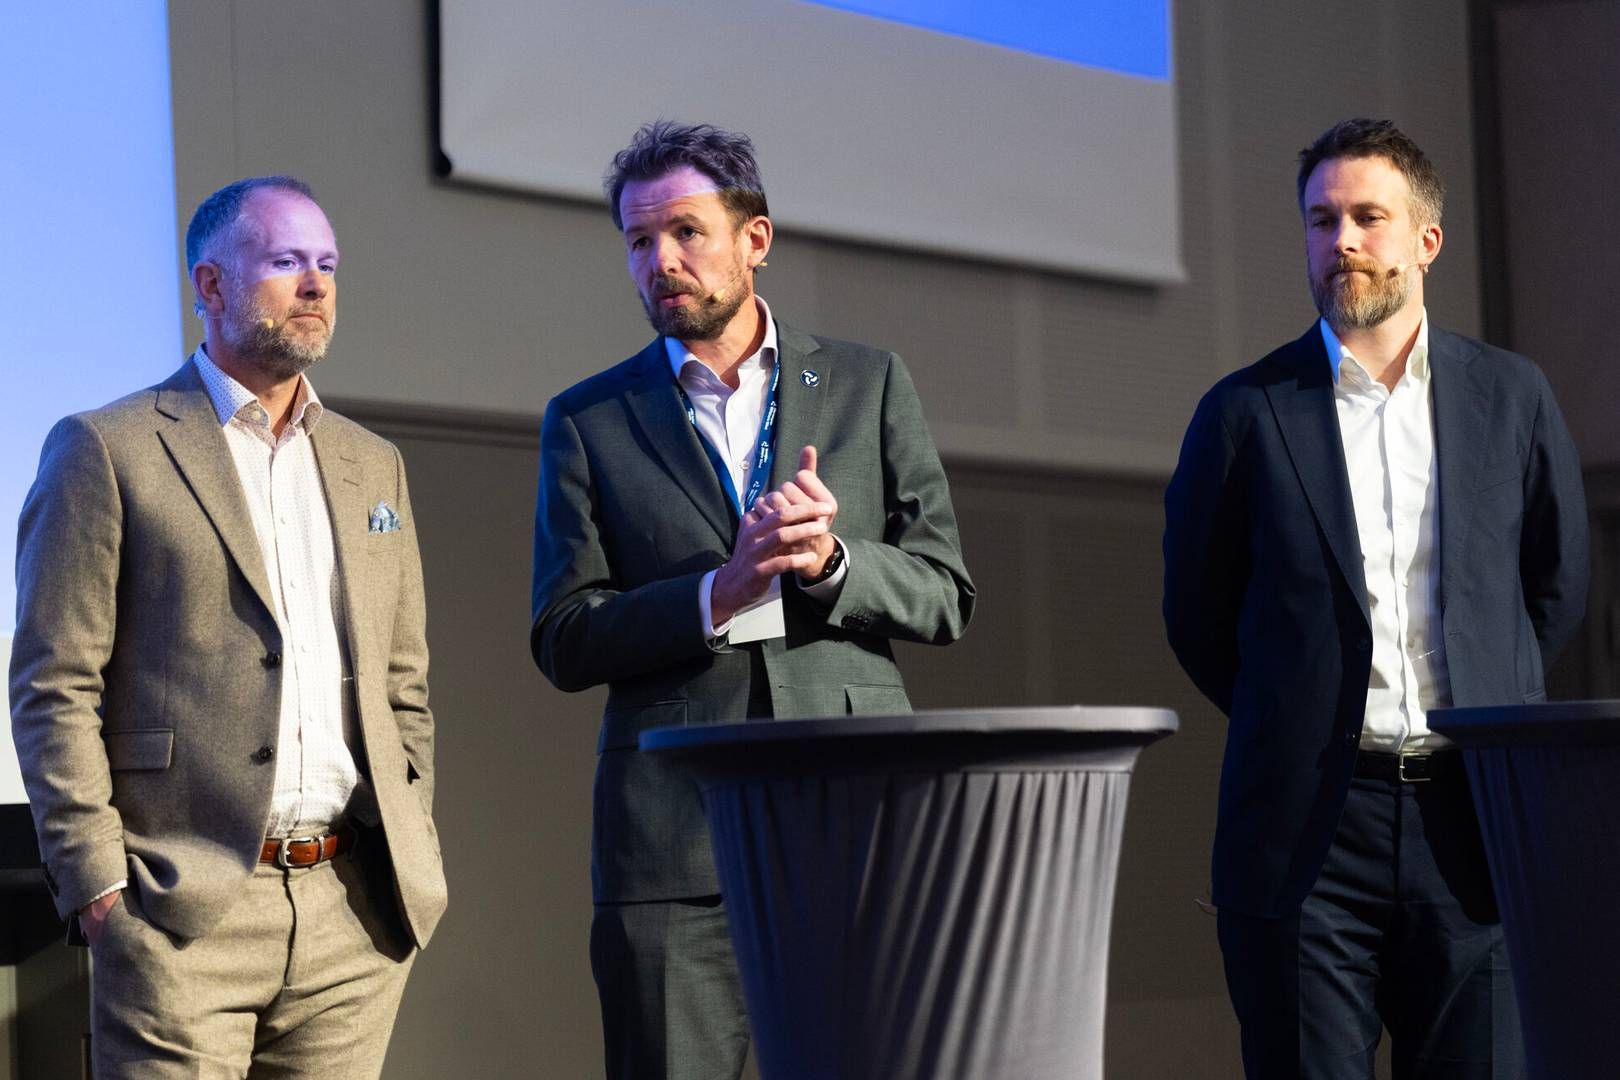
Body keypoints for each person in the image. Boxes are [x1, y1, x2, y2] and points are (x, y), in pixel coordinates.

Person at [531, 120, 975, 1079]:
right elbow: (564, 636)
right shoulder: (589, 419)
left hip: (853, 824)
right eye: (639, 243)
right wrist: (713, 595)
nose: (662, 262)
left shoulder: (868, 384)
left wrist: (832, 566)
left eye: (687, 232)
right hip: (674, 850)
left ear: (754, 241)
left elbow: (945, 591)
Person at [1163, 118, 1588, 1078]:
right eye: (1321, 221)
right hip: (1309, 833)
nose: (1341, 240)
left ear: (1425, 240)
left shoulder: (1512, 397)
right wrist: (1300, 707)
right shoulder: (1242, 412)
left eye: (1366, 217)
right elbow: (1197, 613)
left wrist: (1489, 695)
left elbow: (1553, 593)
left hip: (1475, 825)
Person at [9, 176, 447, 1077]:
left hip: (350, 911)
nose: (316, 284)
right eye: (286, 262)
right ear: (209, 287)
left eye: (326, 263)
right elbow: (55, 683)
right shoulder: (109, 446)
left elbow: (403, 683)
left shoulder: (374, 465)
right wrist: (99, 886)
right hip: (181, 908)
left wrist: (409, 831)